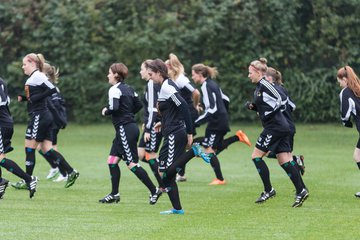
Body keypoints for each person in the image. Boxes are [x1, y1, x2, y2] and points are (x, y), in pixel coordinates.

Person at [146, 59, 210, 214]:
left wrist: (189, 132)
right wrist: (162, 122)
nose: (149, 78)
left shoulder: (168, 87)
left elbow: (184, 107)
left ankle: (194, 152)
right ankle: (177, 209)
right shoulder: (163, 87)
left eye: (151, 74)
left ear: (159, 73)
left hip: (176, 133)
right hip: (170, 131)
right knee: (163, 171)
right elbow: (171, 110)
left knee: (167, 173)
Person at [246, 58, 308, 208]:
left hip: (275, 127)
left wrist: (268, 114)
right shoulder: (259, 87)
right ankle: (301, 190)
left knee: (256, 156)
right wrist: (254, 107)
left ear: (259, 72)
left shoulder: (265, 84)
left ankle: (269, 190)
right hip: (280, 127)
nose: (248, 76)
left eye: (250, 73)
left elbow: (281, 98)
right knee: (284, 160)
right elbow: (266, 104)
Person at [12, 53, 79, 189]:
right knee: (46, 149)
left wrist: (35, 99)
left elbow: (51, 89)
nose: (23, 66)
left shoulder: (37, 76)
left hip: (39, 116)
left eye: (24, 64)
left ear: (32, 63)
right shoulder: (35, 77)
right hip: (43, 115)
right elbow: (37, 96)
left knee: (29, 149)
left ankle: (28, 181)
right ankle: (71, 171)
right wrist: (25, 98)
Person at [99, 62, 162, 204]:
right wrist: (128, 114)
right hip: (127, 128)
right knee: (112, 161)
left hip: (125, 130)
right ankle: (114, 194)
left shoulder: (114, 89)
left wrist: (106, 111)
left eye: (109, 72)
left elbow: (114, 107)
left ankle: (154, 190)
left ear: (116, 75)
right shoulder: (129, 88)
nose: (107, 75)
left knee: (132, 163)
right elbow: (138, 105)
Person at [191, 63, 251, 185]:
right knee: (215, 147)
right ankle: (237, 137)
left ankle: (220, 179)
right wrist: (224, 112)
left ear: (200, 74)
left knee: (209, 150)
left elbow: (212, 110)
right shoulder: (213, 84)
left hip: (216, 123)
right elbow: (226, 99)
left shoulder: (206, 86)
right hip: (221, 120)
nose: (192, 78)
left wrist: (196, 122)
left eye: (193, 75)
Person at [264, 67, 306, 178]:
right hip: (289, 126)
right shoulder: (282, 89)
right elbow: (293, 106)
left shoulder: (273, 90)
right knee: (286, 157)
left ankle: (300, 187)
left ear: (269, 78)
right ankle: (300, 186)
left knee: (270, 153)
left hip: (282, 127)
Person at [0, 76, 38, 199]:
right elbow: (7, 100)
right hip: (5, 123)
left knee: (1, 158)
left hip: (1, 125)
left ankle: (29, 179)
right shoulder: (2, 81)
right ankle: (0, 183)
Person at [166, 53, 201, 182]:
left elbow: (195, 92)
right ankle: (181, 174)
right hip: (181, 112)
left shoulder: (181, 79)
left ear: (170, 67)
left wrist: (195, 106)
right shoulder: (173, 79)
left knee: (183, 143)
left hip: (187, 113)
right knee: (183, 145)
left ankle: (198, 147)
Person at [38, 62, 68, 182]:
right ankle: (55, 167)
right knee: (41, 148)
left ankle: (64, 172)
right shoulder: (50, 86)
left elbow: (55, 106)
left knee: (51, 149)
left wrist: (60, 120)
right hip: (51, 121)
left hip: (52, 122)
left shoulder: (50, 87)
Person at [137, 60, 164, 190]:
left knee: (151, 154)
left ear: (149, 70)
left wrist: (149, 127)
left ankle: (163, 185)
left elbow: (154, 109)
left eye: (142, 69)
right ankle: (164, 168)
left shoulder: (152, 84)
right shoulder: (150, 84)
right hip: (150, 123)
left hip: (155, 125)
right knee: (140, 154)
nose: (140, 72)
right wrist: (146, 122)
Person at [336, 66, 360, 198]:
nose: (339, 83)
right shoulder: (358, 88)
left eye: (339, 80)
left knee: (358, 156)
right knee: (357, 155)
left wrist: (346, 123)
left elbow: (345, 114)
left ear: (344, 79)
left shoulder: (346, 92)